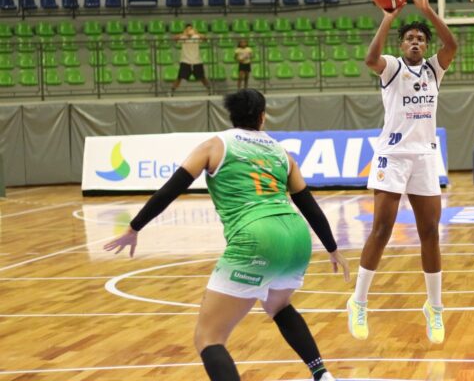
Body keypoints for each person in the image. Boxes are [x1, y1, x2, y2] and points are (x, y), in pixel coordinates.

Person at [105, 88, 349, 381]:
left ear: (231, 116)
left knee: (209, 338)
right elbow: (306, 202)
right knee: (278, 305)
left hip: (257, 236)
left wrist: (134, 227)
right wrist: (332, 247)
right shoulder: (281, 151)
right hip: (297, 236)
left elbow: (171, 188)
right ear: (262, 117)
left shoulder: (214, 145)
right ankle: (321, 374)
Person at [347, 0, 457, 344]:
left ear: (426, 47)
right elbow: (369, 59)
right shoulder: (393, 67)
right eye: (410, 38)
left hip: (424, 158)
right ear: (402, 44)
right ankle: (359, 301)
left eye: (421, 39)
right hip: (392, 156)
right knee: (381, 228)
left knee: (430, 234)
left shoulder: (434, 70)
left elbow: (453, 44)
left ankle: (435, 308)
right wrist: (390, 17)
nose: (416, 42)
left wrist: (428, 12)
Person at [171, 23, 211, 95]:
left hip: (197, 61)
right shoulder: (183, 37)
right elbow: (174, 38)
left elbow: (205, 38)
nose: (189, 30)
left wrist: (196, 33)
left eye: (190, 29)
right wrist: (183, 34)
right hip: (185, 61)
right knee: (179, 77)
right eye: (188, 29)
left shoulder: (196, 36)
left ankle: (209, 90)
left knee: (202, 77)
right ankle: (172, 92)